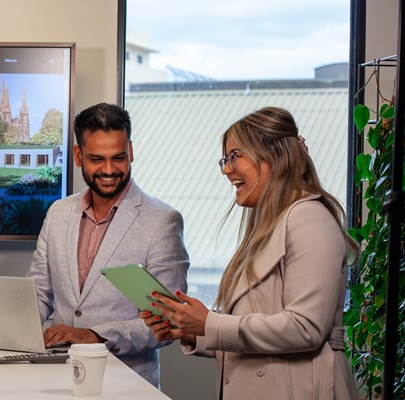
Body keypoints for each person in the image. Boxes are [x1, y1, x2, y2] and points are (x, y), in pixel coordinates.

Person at [142, 106, 358, 399]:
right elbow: (255, 327)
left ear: (272, 156)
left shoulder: (309, 219)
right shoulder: (272, 225)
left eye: (234, 156)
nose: (227, 169)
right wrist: (193, 330)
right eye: (225, 160)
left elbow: (306, 327)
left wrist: (210, 323)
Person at [27, 102, 189, 386]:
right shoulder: (58, 213)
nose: (109, 169)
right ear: (78, 156)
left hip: (126, 383)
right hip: (56, 379)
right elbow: (38, 292)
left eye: (118, 158)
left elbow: (168, 321)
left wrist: (95, 335)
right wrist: (11, 328)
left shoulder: (163, 220)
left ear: (132, 152)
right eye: (97, 159)